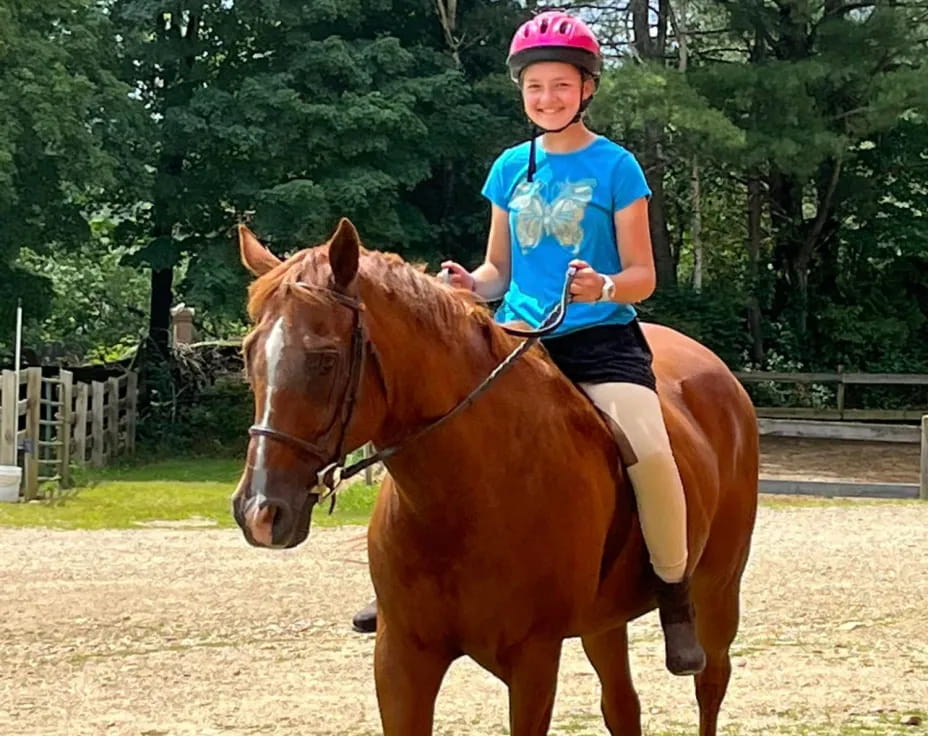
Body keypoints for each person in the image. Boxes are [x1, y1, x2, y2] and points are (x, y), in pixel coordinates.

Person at [352, 10, 705, 677]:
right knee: (422, 432)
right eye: (535, 86)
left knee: (650, 451)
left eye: (560, 85)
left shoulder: (617, 167)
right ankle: (398, 581)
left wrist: (603, 286)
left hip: (599, 342)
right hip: (514, 339)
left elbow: (644, 277)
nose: (547, 97)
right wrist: (467, 282)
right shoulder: (510, 167)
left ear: (587, 88)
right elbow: (498, 272)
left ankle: (674, 592)